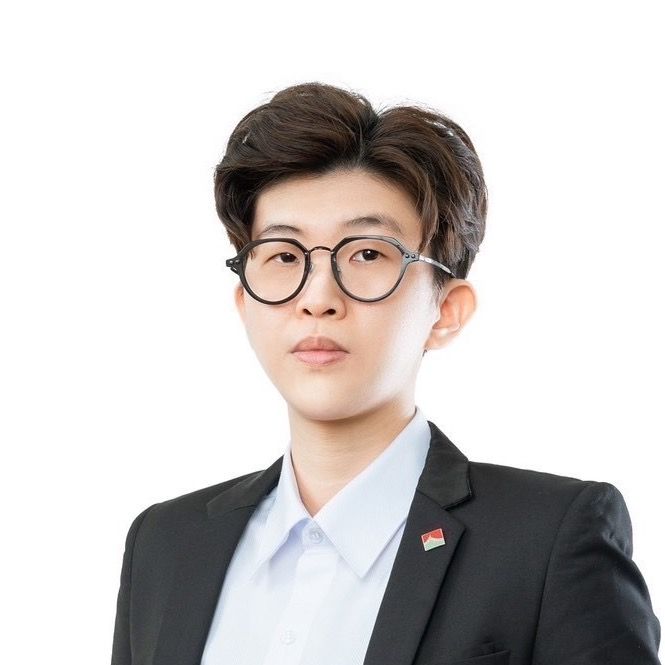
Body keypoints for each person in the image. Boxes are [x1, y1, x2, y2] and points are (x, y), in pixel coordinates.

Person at [110, 82, 661, 665]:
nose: (317, 299)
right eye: (284, 256)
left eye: (368, 254)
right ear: (245, 302)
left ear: (446, 311)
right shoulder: (165, 544)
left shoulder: (547, 540)